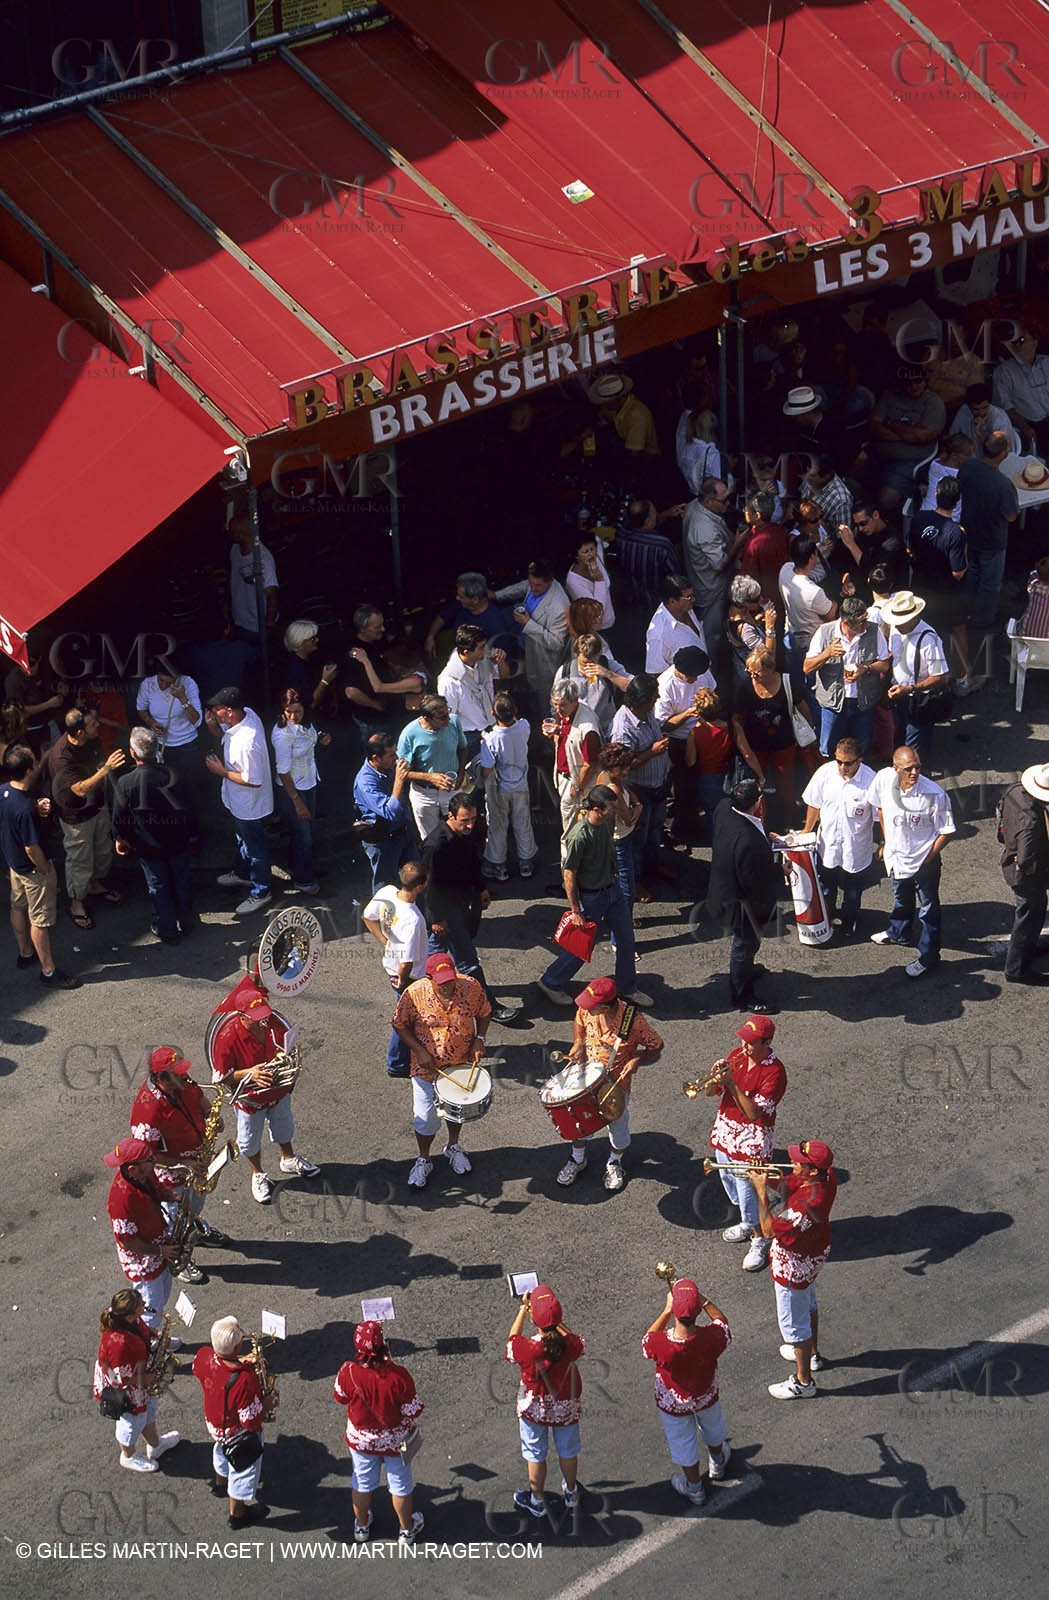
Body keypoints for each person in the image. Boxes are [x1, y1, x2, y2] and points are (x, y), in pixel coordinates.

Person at [209, 980, 321, 1201]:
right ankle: (258, 1173)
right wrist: (249, 1073)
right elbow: (222, 1077)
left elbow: (289, 1046)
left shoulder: (273, 1023)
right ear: (242, 1017)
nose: (263, 1022)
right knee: (248, 1141)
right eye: (256, 1018)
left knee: (285, 1127)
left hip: (278, 1092)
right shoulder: (226, 1038)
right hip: (250, 1100)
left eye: (264, 1015)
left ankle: (288, 1158)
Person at [129, 1044, 231, 1282]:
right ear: (161, 1078)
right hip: (172, 1177)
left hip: (197, 1163)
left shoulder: (183, 1083)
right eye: (178, 1073)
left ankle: (196, 1227)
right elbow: (147, 1157)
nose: (185, 1075)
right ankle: (179, 1259)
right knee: (174, 1221)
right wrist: (184, 1162)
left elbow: (200, 1099)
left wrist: (210, 1114)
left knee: (194, 1207)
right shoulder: (148, 1111)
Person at [391, 951, 492, 1188]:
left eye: (451, 980)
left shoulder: (470, 986)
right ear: (429, 978)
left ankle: (453, 1146)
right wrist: (419, 1050)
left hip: (460, 1064)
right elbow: (399, 1024)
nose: (448, 986)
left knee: (457, 1110)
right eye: (442, 982)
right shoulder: (414, 994)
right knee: (425, 1119)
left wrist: (479, 1038)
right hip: (426, 1068)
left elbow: (485, 1013)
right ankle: (424, 1158)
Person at [552, 976, 663, 1192]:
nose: (585, 1009)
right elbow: (579, 1021)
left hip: (615, 1084)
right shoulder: (589, 1010)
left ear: (604, 1007)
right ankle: (578, 1159)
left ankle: (614, 1162)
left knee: (617, 1124)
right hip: (585, 1078)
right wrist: (578, 1042)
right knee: (578, 1120)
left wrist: (636, 1060)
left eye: (591, 1007)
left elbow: (657, 1045)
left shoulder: (634, 1022)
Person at [537, 788, 645, 1006]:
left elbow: (610, 848)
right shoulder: (579, 836)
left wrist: (614, 872)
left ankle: (628, 987)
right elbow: (569, 874)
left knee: (626, 940)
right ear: (598, 809)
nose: (616, 810)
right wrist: (576, 910)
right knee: (581, 947)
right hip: (592, 898)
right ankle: (551, 981)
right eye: (612, 807)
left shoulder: (606, 823)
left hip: (611, 890)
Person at [750, 1139, 837, 1399]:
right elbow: (791, 1184)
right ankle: (812, 1355)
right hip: (813, 1253)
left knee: (795, 1326)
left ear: (811, 1171)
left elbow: (767, 1230)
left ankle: (803, 1382)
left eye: (799, 1161)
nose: (792, 1162)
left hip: (794, 1266)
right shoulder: (826, 1177)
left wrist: (760, 1190)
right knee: (809, 1305)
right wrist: (765, 1175)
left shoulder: (802, 1208)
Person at [703, 1012, 787, 1271]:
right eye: (743, 1040)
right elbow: (709, 1091)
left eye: (750, 1042)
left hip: (751, 1140)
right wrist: (714, 1079)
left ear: (767, 1042)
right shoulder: (737, 1056)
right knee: (729, 1180)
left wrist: (731, 1084)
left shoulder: (775, 1073)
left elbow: (754, 1113)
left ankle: (759, 1238)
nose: (743, 1046)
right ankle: (748, 1220)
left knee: (747, 1188)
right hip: (727, 1131)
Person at [422, 792, 516, 1022]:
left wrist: (482, 888)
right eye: (464, 820)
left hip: (464, 903)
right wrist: (436, 918)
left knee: (434, 954)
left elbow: (473, 862)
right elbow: (428, 886)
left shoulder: (468, 833)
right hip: (446, 909)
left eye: (473, 819)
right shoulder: (435, 846)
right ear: (450, 816)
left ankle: (419, 995)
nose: (470, 825)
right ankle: (488, 1006)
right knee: (467, 961)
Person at [641, 1275, 732, 1505]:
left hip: (674, 1402)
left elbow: (647, 1339)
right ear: (697, 1312)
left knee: (683, 1441)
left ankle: (695, 1488)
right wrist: (704, 1301)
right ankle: (718, 1462)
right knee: (712, 1427)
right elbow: (722, 1321)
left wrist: (665, 1310)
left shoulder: (661, 1344)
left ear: (675, 1313)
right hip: (705, 1395)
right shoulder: (712, 1338)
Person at [333, 1321, 425, 1544]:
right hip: (395, 1441)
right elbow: (413, 1410)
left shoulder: (348, 1371)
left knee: (362, 1482)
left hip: (361, 1440)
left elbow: (340, 1397)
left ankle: (362, 1526)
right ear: (382, 1344)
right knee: (400, 1485)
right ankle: (406, 1530)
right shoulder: (398, 1375)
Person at [869, 746, 955, 978]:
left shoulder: (934, 794)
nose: (914, 773)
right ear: (895, 768)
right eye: (908, 769)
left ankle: (929, 956)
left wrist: (927, 857)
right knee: (901, 896)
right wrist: (887, 842)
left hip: (924, 863)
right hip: (897, 857)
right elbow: (880, 809)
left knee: (928, 910)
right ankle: (899, 932)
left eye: (917, 767)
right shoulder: (884, 779)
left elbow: (947, 831)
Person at [1, 744, 79, 987]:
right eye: (34, 761)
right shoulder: (24, 808)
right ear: (27, 770)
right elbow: (31, 848)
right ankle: (48, 971)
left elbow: (12, 817)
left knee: (17, 907)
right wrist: (45, 868)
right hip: (33, 870)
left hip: (14, 866)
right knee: (40, 921)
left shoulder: (4, 792)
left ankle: (25, 953)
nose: (37, 764)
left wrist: (36, 808)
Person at [111, 727, 195, 944]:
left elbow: (119, 817)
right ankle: (187, 921)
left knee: (159, 886)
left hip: (149, 846)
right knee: (181, 881)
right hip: (177, 841)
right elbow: (188, 807)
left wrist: (120, 839)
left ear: (133, 753)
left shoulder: (125, 783)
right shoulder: (172, 776)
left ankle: (167, 929)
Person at [506, 1285, 585, 1517]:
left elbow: (511, 1340)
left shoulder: (528, 1348)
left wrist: (523, 1308)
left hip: (535, 1407)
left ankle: (537, 1499)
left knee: (535, 1452)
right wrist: (557, 1323)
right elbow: (578, 1341)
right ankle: (571, 1491)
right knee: (568, 1450)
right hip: (566, 1405)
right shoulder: (569, 1344)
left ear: (533, 1318)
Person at [705, 777, 781, 1014]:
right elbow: (756, 881)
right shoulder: (748, 842)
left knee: (746, 946)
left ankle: (745, 972)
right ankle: (742, 995)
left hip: (722, 890)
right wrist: (781, 869)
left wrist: (765, 840)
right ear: (756, 803)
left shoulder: (724, 808)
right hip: (743, 905)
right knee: (745, 945)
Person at [48, 706, 126, 930]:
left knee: (102, 849)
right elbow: (79, 790)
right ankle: (76, 902)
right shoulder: (62, 756)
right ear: (79, 732)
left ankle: (94, 884)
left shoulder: (92, 740)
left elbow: (98, 762)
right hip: (77, 816)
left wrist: (103, 767)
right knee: (80, 858)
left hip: (97, 807)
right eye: (92, 724)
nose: (98, 725)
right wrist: (105, 770)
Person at [192, 1315, 272, 1529]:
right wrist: (265, 1403)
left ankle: (220, 1484)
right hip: (236, 1432)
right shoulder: (244, 1380)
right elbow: (250, 1419)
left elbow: (209, 1368)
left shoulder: (203, 1356)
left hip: (215, 1422)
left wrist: (241, 1360)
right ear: (236, 1348)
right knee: (243, 1469)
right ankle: (238, 1513)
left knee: (220, 1450)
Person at [93, 1288, 180, 1473]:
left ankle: (155, 1445)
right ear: (130, 1315)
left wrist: (153, 1334)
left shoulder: (130, 1319)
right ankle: (128, 1456)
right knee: (131, 1423)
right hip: (126, 1386)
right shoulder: (119, 1343)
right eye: (141, 1305)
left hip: (138, 1374)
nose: (145, 1306)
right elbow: (118, 1377)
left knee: (148, 1413)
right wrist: (145, 1378)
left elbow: (141, 1328)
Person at [205, 687, 274, 915]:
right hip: (238, 802)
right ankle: (244, 874)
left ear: (229, 711)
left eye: (217, 710)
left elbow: (253, 780)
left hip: (249, 806)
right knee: (243, 840)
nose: (213, 712)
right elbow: (223, 731)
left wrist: (220, 771)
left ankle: (261, 891)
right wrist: (213, 724)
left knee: (255, 849)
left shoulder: (247, 742)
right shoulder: (246, 714)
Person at [731, 647, 816, 832]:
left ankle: (788, 821)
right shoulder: (745, 686)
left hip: (784, 744)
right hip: (756, 746)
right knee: (756, 786)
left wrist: (808, 733)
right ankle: (757, 822)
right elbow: (737, 717)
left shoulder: (787, 682)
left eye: (757, 672)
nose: (753, 676)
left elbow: (803, 708)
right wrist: (742, 743)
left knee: (787, 786)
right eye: (749, 671)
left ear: (770, 669)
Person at [801, 739, 876, 937]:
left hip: (856, 849)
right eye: (838, 761)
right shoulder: (825, 773)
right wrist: (807, 830)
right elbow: (814, 804)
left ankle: (849, 923)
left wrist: (886, 842)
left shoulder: (871, 781)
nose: (842, 767)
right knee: (826, 887)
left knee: (852, 892)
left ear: (859, 760)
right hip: (828, 845)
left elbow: (881, 815)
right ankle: (828, 918)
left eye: (848, 763)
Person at [907, 477, 976, 693]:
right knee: (958, 631)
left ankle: (922, 677)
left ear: (936, 494)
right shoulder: (956, 532)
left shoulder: (919, 518)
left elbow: (911, 550)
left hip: (921, 588)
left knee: (923, 632)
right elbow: (957, 572)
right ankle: (962, 680)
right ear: (958, 501)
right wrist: (964, 550)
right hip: (948, 593)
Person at [610, 674, 675, 899]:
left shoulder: (648, 714)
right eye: (654, 694)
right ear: (643, 699)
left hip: (657, 786)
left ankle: (654, 866)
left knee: (655, 831)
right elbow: (622, 766)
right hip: (639, 791)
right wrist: (653, 752)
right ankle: (635, 882)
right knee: (637, 840)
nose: (658, 697)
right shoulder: (623, 726)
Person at [363, 862, 431, 1076]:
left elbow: (368, 917)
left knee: (406, 1017)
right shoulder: (413, 920)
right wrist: (402, 980)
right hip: (409, 977)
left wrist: (384, 941)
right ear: (420, 886)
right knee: (405, 1021)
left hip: (392, 967)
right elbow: (407, 963)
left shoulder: (387, 893)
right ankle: (397, 1063)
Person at [104, 1137, 177, 1332]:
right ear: (132, 1169)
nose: (154, 1161)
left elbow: (156, 1188)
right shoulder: (120, 1202)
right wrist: (161, 1251)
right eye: (149, 1160)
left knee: (162, 1297)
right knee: (150, 1310)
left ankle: (154, 1337)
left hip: (158, 1248)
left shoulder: (144, 1173)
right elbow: (129, 1244)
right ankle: (149, 1347)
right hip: (144, 1262)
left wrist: (166, 1194)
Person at [803, 596, 890, 757]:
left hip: (863, 703)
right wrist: (827, 653)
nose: (866, 625)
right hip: (833, 705)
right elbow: (807, 668)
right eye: (861, 622)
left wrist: (866, 668)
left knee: (861, 748)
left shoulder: (873, 630)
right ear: (845, 623)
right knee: (829, 749)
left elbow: (884, 664)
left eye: (866, 619)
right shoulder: (825, 632)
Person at [134, 655, 204, 840]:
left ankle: (193, 834)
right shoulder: (148, 685)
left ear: (178, 679)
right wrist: (151, 722)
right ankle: (171, 832)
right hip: (162, 747)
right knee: (165, 790)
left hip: (186, 744)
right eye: (161, 680)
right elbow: (141, 709)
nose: (163, 685)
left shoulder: (188, 685)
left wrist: (182, 698)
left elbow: (197, 721)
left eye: (168, 682)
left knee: (188, 790)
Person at [957, 430, 1019, 634]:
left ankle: (965, 612)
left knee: (972, 574)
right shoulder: (1003, 484)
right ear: (1002, 453)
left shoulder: (966, 467)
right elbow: (1011, 516)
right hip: (992, 540)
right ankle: (983, 621)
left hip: (969, 533)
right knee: (990, 583)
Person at [271, 688, 329, 894]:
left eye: (298, 711)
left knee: (303, 832)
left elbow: (308, 739)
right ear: (283, 711)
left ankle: (297, 867)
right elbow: (284, 772)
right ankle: (303, 881)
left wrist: (320, 738)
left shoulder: (305, 724)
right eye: (290, 712)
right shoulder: (283, 736)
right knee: (303, 834)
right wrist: (297, 801)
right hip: (293, 790)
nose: (294, 716)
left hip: (309, 782)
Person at [655, 647, 715, 845]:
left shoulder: (701, 672)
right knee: (677, 788)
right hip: (677, 741)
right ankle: (675, 830)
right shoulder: (666, 685)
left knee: (693, 786)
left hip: (700, 734)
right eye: (690, 677)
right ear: (679, 670)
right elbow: (663, 725)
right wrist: (688, 714)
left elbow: (712, 689)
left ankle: (689, 825)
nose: (694, 680)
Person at [494, 561, 571, 710]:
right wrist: (497, 595)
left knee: (543, 696)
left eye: (538, 585)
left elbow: (556, 642)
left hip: (541, 659)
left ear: (550, 581)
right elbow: (523, 586)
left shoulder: (559, 606)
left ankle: (543, 723)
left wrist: (528, 623)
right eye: (531, 583)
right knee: (525, 684)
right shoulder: (533, 585)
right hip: (525, 648)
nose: (533, 588)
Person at [998, 763, 1049, 985]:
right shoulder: (1032, 820)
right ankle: (1016, 968)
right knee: (1030, 915)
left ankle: (1027, 949)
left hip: (1012, 861)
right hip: (1026, 877)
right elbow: (1028, 859)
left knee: (1030, 913)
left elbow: (1000, 819)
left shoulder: (1014, 790)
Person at [868, 366, 946, 512]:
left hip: (909, 460)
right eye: (908, 382)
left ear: (925, 382)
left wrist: (891, 424)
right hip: (877, 454)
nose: (913, 386)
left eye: (917, 381)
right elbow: (873, 426)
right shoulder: (890, 395)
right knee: (853, 481)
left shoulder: (933, 402)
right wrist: (907, 434)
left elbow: (923, 436)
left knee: (886, 500)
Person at [683, 478, 744, 663]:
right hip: (711, 587)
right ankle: (712, 668)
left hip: (705, 580)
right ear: (708, 501)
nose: (728, 503)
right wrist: (738, 543)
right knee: (713, 633)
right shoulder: (704, 528)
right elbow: (719, 564)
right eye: (724, 500)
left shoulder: (696, 505)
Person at [883, 592, 950, 756]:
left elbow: (941, 676)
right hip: (898, 696)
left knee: (912, 747)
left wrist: (910, 688)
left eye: (901, 622)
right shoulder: (895, 627)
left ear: (914, 618)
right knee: (899, 737)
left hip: (920, 701)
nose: (897, 625)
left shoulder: (929, 640)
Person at [480, 693, 536, 883]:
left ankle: (499, 865)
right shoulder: (524, 726)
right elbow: (519, 723)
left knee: (498, 825)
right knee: (522, 821)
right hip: (521, 785)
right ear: (515, 711)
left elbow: (487, 770)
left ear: (492, 713)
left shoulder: (490, 738)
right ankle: (526, 862)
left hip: (500, 788)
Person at [396, 695, 467, 844]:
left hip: (452, 788)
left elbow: (463, 747)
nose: (448, 720)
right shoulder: (409, 734)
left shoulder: (454, 721)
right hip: (425, 794)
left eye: (448, 713)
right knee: (431, 840)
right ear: (426, 718)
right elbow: (402, 772)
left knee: (460, 833)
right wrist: (429, 777)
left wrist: (461, 774)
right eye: (442, 718)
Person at [344, 605, 426, 733]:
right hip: (372, 720)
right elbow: (351, 692)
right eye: (377, 627)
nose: (383, 629)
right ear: (362, 628)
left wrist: (366, 661)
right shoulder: (355, 654)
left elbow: (379, 686)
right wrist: (374, 704)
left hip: (389, 715)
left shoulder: (416, 680)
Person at [436, 624, 512, 762]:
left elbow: (505, 676)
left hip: (493, 726)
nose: (486, 649)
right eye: (481, 647)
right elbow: (449, 718)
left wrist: (500, 662)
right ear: (466, 652)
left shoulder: (483, 660)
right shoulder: (449, 681)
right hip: (471, 737)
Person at [544, 680, 602, 849]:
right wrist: (556, 731)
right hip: (565, 778)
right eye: (555, 704)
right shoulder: (567, 714)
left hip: (578, 784)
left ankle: (569, 867)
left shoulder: (588, 728)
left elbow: (590, 764)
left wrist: (576, 787)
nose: (557, 710)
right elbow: (567, 732)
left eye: (562, 705)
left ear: (575, 700)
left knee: (571, 832)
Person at [778, 536, 836, 702]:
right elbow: (830, 613)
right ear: (812, 557)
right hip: (811, 642)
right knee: (812, 689)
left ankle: (798, 712)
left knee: (796, 685)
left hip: (790, 635)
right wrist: (837, 599)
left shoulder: (785, 569)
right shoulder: (814, 592)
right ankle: (813, 722)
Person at [353, 734, 411, 895]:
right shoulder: (366, 782)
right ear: (376, 758)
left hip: (403, 832)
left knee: (413, 878)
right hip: (382, 840)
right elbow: (390, 812)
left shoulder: (388, 767)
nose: (396, 758)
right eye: (391, 755)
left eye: (396, 752)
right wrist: (399, 780)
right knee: (385, 888)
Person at [589, 743, 642, 916]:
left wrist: (636, 803)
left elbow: (627, 790)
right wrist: (638, 808)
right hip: (620, 840)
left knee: (618, 881)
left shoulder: (607, 777)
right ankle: (624, 923)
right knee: (627, 887)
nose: (627, 771)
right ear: (613, 767)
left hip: (613, 838)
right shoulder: (613, 790)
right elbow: (628, 820)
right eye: (623, 767)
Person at [553, 633, 631, 737]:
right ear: (576, 655)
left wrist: (608, 674)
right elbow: (554, 704)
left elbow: (633, 687)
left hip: (606, 729)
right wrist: (557, 731)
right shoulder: (565, 671)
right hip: (577, 730)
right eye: (584, 663)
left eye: (593, 661)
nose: (588, 666)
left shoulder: (608, 665)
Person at [683, 689, 734, 837]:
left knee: (712, 813)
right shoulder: (730, 727)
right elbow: (747, 753)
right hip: (728, 774)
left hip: (708, 777)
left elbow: (690, 761)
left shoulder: (695, 732)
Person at [616, 498, 683, 608]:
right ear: (648, 521)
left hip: (631, 602)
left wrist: (664, 515)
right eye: (654, 513)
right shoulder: (662, 545)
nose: (656, 514)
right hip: (655, 605)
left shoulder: (621, 535)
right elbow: (676, 579)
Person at [993, 325, 1049, 455]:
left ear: (1035, 342)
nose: (1017, 345)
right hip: (1032, 426)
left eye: (1022, 340)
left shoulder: (1047, 363)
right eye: (1014, 342)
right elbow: (1004, 406)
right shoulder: (1004, 371)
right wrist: (1024, 427)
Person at [424, 572, 507, 658]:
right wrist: (431, 636)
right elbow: (442, 617)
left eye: (461, 597)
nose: (457, 598)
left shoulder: (494, 624)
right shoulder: (461, 604)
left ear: (475, 600)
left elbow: (500, 658)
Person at [227, 515, 278, 644]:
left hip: (256, 625)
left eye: (231, 531)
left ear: (240, 535)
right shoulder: (235, 549)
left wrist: (269, 623)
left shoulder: (263, 559)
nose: (228, 533)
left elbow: (272, 595)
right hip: (239, 618)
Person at [645, 574, 708, 674]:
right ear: (672, 601)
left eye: (692, 595)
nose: (693, 599)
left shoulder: (686, 608)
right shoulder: (658, 635)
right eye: (689, 597)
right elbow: (656, 672)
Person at [739, 491, 789, 603]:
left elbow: (748, 580)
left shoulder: (755, 544)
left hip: (763, 600)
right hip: (781, 593)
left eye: (747, 510)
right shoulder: (779, 531)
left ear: (757, 516)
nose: (744, 511)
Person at [280, 619, 339, 715]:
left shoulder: (314, 657)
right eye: (312, 639)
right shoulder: (293, 669)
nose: (317, 640)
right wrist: (325, 681)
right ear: (300, 643)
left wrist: (333, 698)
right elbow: (311, 704)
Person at [565, 533, 616, 630]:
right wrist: (599, 580)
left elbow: (597, 538)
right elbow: (596, 611)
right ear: (576, 556)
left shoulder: (596, 558)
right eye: (585, 552)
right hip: (597, 630)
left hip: (611, 620)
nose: (591, 554)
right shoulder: (573, 582)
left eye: (592, 549)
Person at [675, 407, 721, 495]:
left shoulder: (686, 448)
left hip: (689, 495)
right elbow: (717, 484)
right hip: (706, 498)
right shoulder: (711, 452)